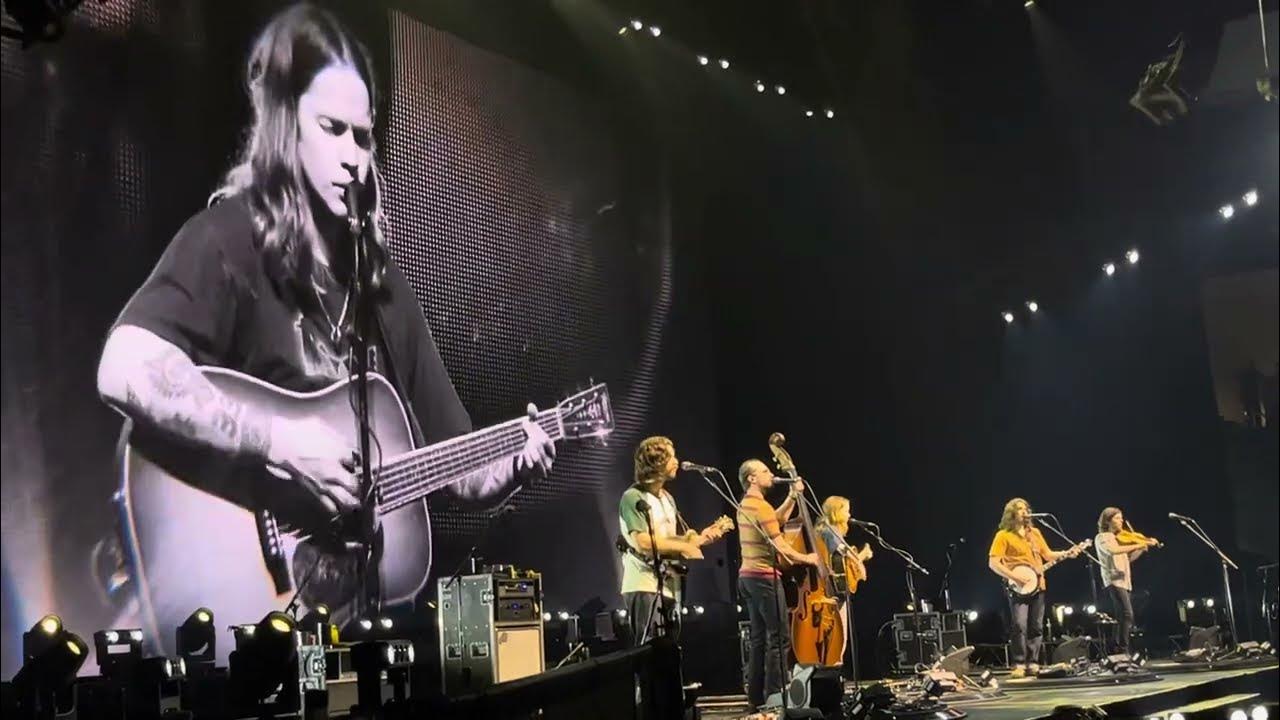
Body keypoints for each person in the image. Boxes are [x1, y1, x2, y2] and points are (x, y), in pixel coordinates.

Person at [95, 4, 555, 625]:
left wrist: (510, 466)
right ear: (288, 127)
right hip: (244, 607)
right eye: (332, 128)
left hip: (341, 627)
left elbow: (453, 467)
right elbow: (124, 365)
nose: (353, 156)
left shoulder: (382, 291)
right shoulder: (230, 241)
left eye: (364, 137)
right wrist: (281, 442)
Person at [617, 436, 728, 644]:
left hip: (669, 583)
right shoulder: (633, 497)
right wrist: (685, 545)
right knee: (648, 649)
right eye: (671, 456)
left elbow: (669, 539)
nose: (677, 461)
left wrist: (701, 538)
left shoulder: (667, 498)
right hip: (643, 583)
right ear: (656, 462)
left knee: (670, 647)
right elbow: (643, 543)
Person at [736, 459, 818, 709]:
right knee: (779, 638)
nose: (771, 475)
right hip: (764, 579)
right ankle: (775, 697)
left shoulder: (748, 504)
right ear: (751, 478)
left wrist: (792, 496)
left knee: (759, 640)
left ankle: (756, 700)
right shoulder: (760, 507)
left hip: (747, 577)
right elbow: (781, 546)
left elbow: (777, 518)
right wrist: (809, 558)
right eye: (765, 471)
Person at [986, 498, 1078, 679]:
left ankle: (1033, 662)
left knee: (1036, 626)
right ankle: (1019, 663)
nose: (1024, 511)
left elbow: (1047, 554)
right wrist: (1014, 577)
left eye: (1026, 508)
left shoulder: (1034, 533)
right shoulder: (1003, 535)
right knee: (1019, 625)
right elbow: (993, 562)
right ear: (1012, 513)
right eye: (1020, 509)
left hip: (1038, 584)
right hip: (1017, 586)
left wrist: (1067, 553)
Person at [1095, 507, 1158, 655]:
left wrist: (1142, 548)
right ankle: (1122, 649)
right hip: (1114, 579)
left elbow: (1128, 559)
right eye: (1117, 518)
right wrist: (1138, 544)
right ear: (1108, 520)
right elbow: (1113, 551)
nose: (1121, 520)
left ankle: (1118, 649)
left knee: (1122, 616)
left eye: (1121, 517)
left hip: (1125, 580)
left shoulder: (1120, 539)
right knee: (1127, 614)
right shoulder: (1103, 537)